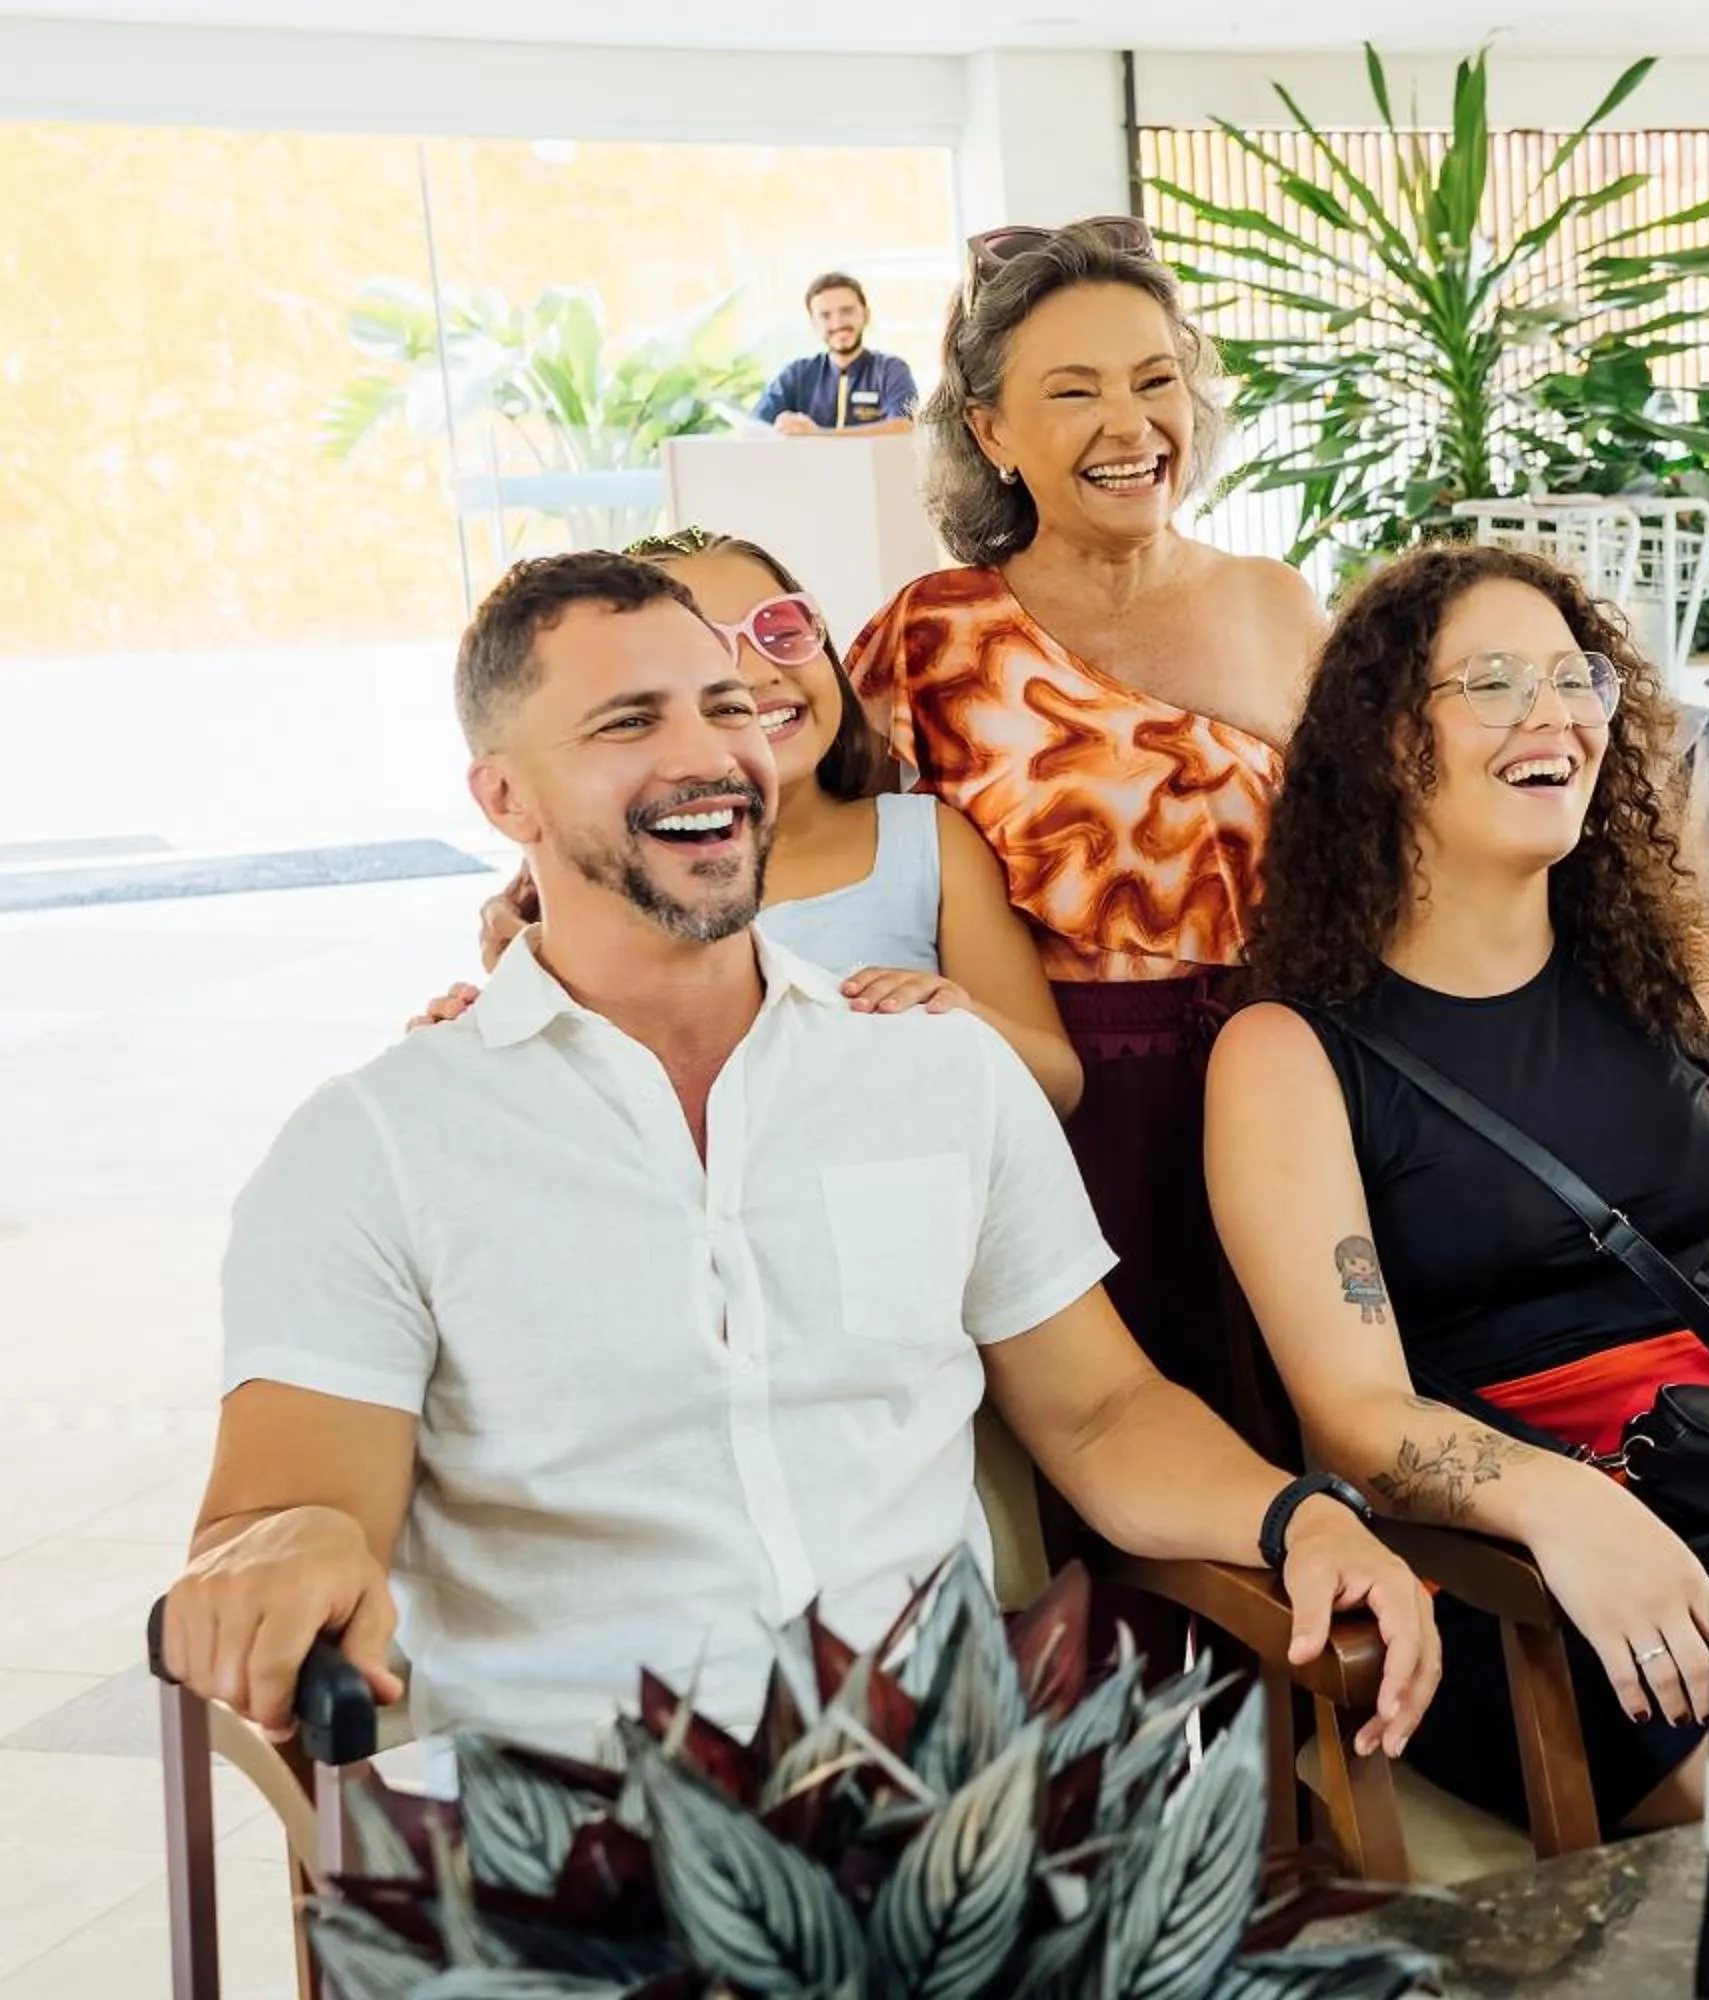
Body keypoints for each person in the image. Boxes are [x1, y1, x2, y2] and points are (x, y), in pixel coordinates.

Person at [157, 551, 1436, 1769]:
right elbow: (290, 1495)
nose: (711, 753)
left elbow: (1104, 1411)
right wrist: (280, 1553)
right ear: (505, 798)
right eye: (627, 723)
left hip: (944, 1806)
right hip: (580, 1829)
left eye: (726, 706)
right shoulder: (374, 1143)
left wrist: (1294, 1513)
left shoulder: (937, 1071)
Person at [1203, 542, 1709, 1837]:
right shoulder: (1289, 1053)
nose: (1553, 716)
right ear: (1385, 742)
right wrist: (1568, 1508)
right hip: (1518, 1580)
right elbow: (1357, 1411)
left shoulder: (1681, 979)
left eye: (1575, 678)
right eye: (1491, 683)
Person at [848, 216, 1325, 1436]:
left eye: (1156, 380)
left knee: (1301, 1436)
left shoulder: (1275, 606)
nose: (1131, 425)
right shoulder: (931, 634)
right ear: (993, 432)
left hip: (1290, 1097)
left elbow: (1386, 857)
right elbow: (798, 838)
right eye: (1075, 392)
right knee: (1098, 1458)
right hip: (1049, 1109)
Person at [436, 527, 1083, 1116]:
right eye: (709, 651)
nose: (758, 673)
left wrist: (955, 1017)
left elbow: (1057, 1082)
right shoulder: (612, 889)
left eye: (782, 628)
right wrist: (477, 1048)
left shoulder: (925, 845)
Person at [750, 271, 917, 436]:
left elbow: (903, 427)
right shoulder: (796, 374)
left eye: (847, 311)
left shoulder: (891, 370)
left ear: (866, 315)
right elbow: (754, 426)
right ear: (813, 323)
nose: (838, 323)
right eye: (825, 315)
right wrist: (782, 426)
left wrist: (818, 435)